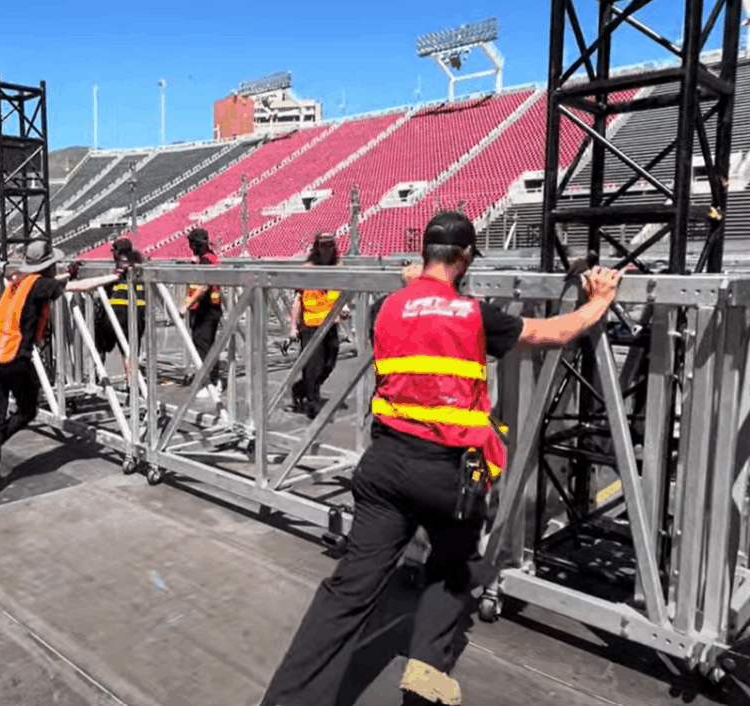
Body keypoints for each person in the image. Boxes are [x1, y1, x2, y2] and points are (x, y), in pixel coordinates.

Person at [259, 211, 624, 706]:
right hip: (449, 476)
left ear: (425, 256)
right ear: (465, 258)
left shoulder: (387, 308)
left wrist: (415, 283)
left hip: (385, 468)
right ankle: (424, 681)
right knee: (451, 570)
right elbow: (554, 332)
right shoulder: (476, 315)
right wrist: (597, 301)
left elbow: (419, 317)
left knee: (347, 593)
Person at [0, 240, 124, 497]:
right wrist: (114, 276)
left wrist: (66, 274)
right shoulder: (40, 285)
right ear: (48, 266)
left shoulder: (17, 282)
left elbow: (47, 285)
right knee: (27, 410)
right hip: (15, 359)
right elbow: (80, 287)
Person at [288, 232, 348, 418]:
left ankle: (303, 387)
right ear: (316, 247)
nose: (327, 249)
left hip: (330, 324)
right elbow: (298, 299)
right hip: (311, 325)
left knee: (329, 363)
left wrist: (343, 307)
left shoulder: (338, 268)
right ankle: (312, 403)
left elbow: (341, 294)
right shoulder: (308, 269)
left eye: (330, 245)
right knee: (312, 365)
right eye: (323, 245)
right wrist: (293, 327)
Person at [178, 228, 223, 398]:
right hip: (204, 308)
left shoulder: (207, 261)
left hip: (207, 309)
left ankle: (212, 382)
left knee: (205, 346)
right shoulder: (206, 259)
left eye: (191, 244)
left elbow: (203, 286)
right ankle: (208, 379)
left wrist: (186, 305)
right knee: (202, 345)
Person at [94, 236, 146, 368]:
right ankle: (132, 384)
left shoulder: (119, 269)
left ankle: (96, 375)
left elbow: (107, 289)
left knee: (100, 345)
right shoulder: (140, 267)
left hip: (117, 314)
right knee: (130, 352)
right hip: (137, 314)